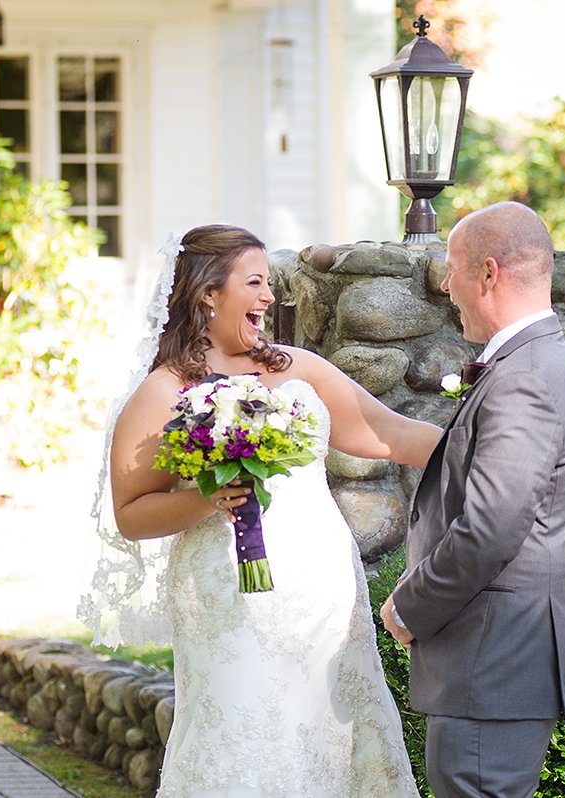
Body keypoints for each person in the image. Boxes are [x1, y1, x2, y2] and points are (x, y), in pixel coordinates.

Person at [82, 224, 441, 797]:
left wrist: (487, 443)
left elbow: (393, 435)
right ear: (208, 294)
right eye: (255, 282)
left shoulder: (296, 369)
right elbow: (130, 513)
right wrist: (205, 499)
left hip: (324, 600)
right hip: (228, 599)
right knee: (247, 740)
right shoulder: (163, 392)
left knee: (332, 738)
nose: (270, 297)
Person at [381, 202, 565, 798]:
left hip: (491, 662)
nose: (446, 286)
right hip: (497, 663)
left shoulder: (524, 375)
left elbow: (491, 527)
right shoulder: (535, 361)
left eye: (452, 269)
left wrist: (408, 607)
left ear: (489, 274)